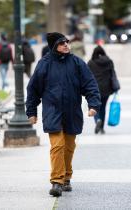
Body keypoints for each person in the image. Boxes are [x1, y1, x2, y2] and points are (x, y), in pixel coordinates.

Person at [26, 32, 101, 197]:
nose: (66, 45)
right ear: (54, 46)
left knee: (68, 147)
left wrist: (93, 104)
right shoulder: (44, 64)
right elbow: (33, 89)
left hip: (72, 111)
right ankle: (57, 181)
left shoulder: (77, 63)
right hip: (52, 111)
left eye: (67, 42)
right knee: (57, 145)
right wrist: (31, 111)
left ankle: (67, 177)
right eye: (62, 43)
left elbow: (90, 84)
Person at [88, 45, 119, 134]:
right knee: (103, 108)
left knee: (95, 107)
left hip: (94, 89)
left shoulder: (91, 63)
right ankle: (101, 128)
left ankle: (97, 120)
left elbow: (87, 76)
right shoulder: (109, 62)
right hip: (106, 89)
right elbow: (113, 74)